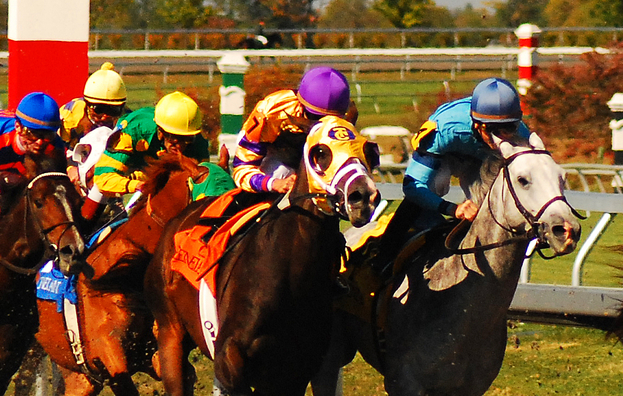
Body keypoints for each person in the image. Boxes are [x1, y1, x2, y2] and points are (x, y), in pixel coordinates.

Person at [373, 77, 533, 261]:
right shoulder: (445, 129)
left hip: (484, 159)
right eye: (493, 130)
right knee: (434, 186)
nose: (502, 137)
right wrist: (452, 209)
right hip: (448, 155)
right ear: (477, 124)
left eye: (509, 128)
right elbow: (413, 186)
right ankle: (383, 257)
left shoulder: (522, 136)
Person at [228, 65, 355, 195]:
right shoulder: (273, 112)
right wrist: (274, 183)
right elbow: (242, 169)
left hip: (313, 163)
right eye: (315, 117)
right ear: (301, 103)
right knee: (282, 172)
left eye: (331, 119)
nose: (321, 124)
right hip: (274, 161)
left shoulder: (347, 118)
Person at [86, 90, 208, 212]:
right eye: (173, 138)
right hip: (126, 163)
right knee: (99, 190)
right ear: (161, 132)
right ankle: (86, 227)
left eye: (186, 139)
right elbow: (103, 178)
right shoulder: (135, 130)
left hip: (151, 169)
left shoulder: (198, 142)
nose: (180, 145)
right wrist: (137, 186)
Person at [0, 91, 63, 225]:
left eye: (47, 135)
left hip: (17, 166)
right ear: (18, 127)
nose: (40, 142)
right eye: (32, 134)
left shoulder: (55, 145)